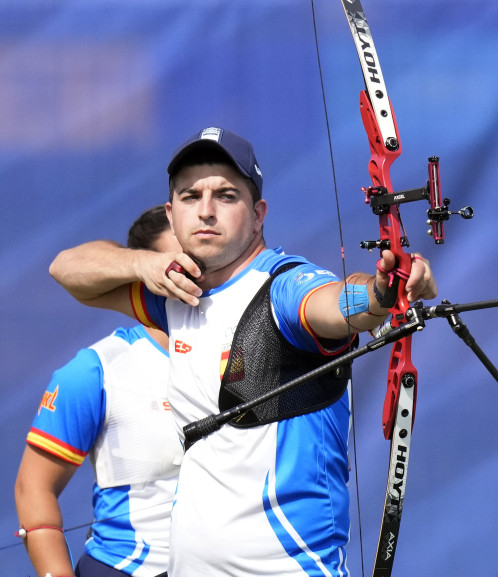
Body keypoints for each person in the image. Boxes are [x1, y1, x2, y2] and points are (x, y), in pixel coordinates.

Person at [49, 127, 438, 576]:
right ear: (171, 215)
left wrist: (382, 293)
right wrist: (140, 262)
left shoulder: (284, 287)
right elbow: (66, 269)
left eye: (226, 196)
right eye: (191, 197)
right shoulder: (176, 296)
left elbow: (334, 304)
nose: (207, 211)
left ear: (258, 215)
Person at [16, 205, 183, 577]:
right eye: (176, 266)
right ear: (144, 277)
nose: (194, 278)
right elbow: (34, 487)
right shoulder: (98, 370)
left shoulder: (251, 351)